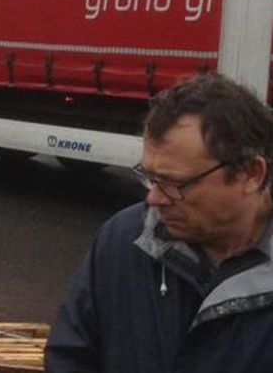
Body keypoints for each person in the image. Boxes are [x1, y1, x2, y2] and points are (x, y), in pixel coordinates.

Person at [45, 72, 273, 372]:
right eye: (150, 176)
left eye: (174, 183)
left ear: (250, 174)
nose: (153, 199)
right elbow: (70, 357)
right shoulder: (124, 240)